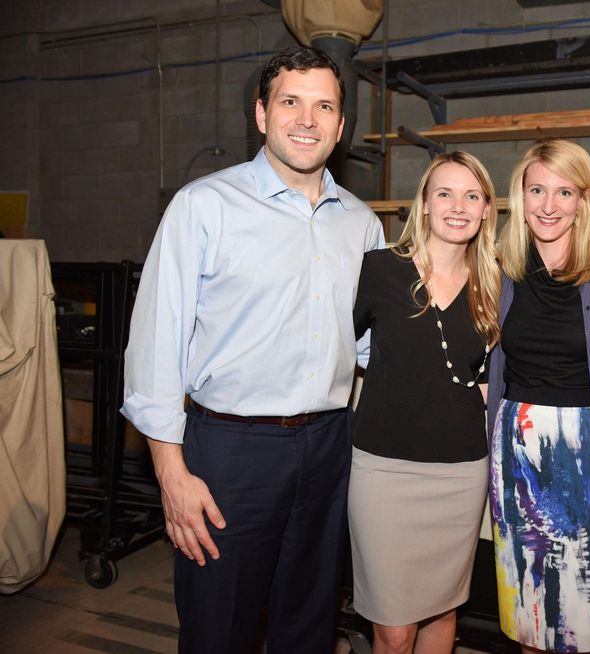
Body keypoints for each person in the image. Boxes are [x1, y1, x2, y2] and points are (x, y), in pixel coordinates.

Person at [121, 46, 384, 653]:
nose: (307, 120)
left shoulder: (363, 224)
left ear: (341, 127)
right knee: (221, 627)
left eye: (324, 107)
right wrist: (171, 474)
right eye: (291, 102)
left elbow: (373, 346)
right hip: (231, 454)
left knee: (309, 623)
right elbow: (155, 347)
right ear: (261, 114)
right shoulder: (204, 206)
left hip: (328, 448)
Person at [348, 151, 500, 654]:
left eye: (471, 196)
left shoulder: (497, 283)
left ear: (485, 210)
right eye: (445, 193)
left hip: (459, 472)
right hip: (383, 469)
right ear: (426, 205)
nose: (458, 206)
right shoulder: (379, 270)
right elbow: (328, 350)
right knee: (392, 630)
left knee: (443, 610)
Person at [487, 139, 590, 654]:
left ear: (584, 199)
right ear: (520, 196)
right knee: (530, 612)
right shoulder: (499, 266)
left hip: (586, 453)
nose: (549, 206)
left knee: (583, 620)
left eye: (564, 191)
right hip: (516, 451)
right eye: (537, 190)